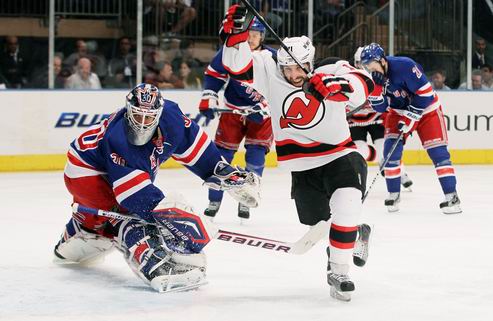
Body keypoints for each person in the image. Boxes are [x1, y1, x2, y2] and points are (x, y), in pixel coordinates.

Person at [218, 5, 373, 301]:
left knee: (346, 205)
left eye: (296, 68)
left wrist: (335, 86)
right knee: (319, 223)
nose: (291, 74)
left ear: (310, 62)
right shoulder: (267, 68)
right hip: (302, 166)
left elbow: (363, 85)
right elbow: (235, 66)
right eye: (286, 68)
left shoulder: (330, 69)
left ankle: (339, 271)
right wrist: (235, 34)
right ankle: (354, 232)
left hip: (340, 154)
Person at [53, 83, 260, 292]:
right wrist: (174, 217)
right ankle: (156, 266)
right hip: (86, 172)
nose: (142, 124)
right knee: (129, 218)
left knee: (124, 218)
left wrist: (221, 170)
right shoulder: (119, 140)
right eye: (137, 116)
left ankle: (84, 230)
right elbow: (135, 198)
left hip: (104, 169)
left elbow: (197, 150)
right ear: (128, 111)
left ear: (159, 114)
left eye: (149, 117)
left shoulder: (173, 119)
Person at [360, 43, 461, 214]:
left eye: (371, 64)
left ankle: (452, 196)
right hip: (398, 112)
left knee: (439, 154)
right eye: (366, 66)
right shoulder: (371, 79)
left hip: (428, 110)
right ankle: (393, 194)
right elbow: (380, 108)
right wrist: (376, 90)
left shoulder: (405, 65)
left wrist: (412, 116)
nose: (370, 69)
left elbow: (427, 93)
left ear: (382, 60)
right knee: (390, 152)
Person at [198, 15, 274, 220]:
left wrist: (267, 108)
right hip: (233, 111)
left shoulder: (273, 57)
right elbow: (215, 74)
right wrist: (209, 96)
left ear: (262, 37)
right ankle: (214, 199)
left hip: (262, 115)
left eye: (256, 35)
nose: (251, 39)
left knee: (256, 156)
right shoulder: (232, 52)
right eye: (248, 34)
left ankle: (246, 199)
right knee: (222, 155)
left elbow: (283, 87)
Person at [350, 47, 413, 190]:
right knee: (359, 149)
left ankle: (400, 172)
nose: (363, 66)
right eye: (360, 63)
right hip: (355, 122)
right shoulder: (350, 77)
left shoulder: (379, 76)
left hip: (376, 119)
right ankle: (381, 160)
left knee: (384, 146)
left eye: (366, 63)